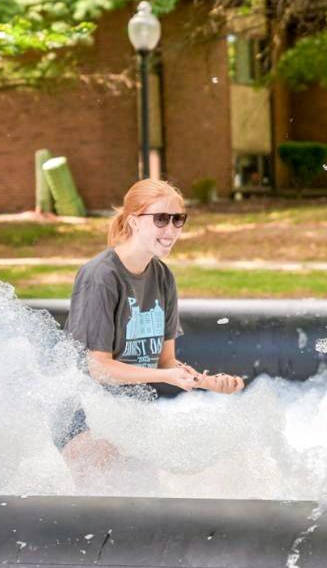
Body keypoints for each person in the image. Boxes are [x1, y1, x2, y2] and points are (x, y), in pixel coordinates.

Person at [57, 179, 244, 480]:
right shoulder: (101, 277)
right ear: (133, 221)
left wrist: (205, 383)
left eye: (177, 219)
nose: (170, 230)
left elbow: (165, 362)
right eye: (160, 219)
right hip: (85, 415)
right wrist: (165, 376)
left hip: (127, 416)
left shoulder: (163, 277)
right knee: (107, 490)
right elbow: (98, 368)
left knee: (145, 493)